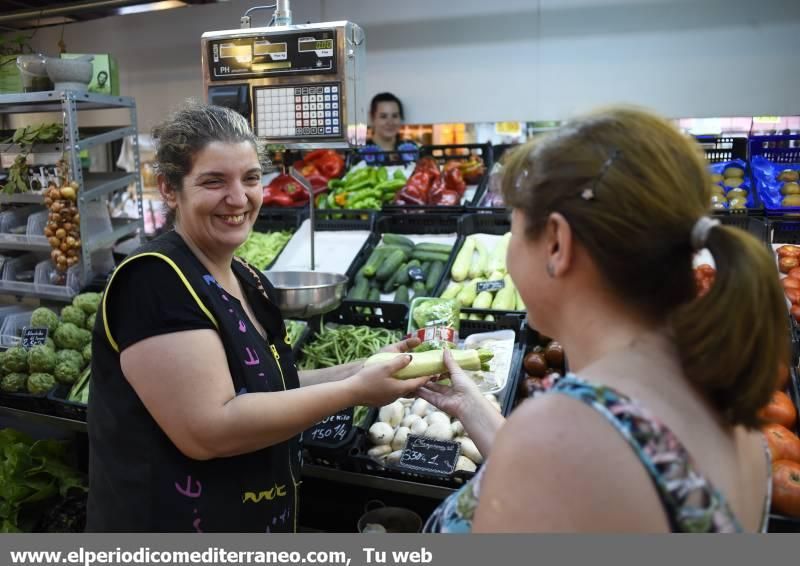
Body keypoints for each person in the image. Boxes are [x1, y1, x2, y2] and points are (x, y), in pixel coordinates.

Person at [418, 106, 786, 533]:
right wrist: (471, 406)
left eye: (512, 227)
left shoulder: (558, 432)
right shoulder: (732, 407)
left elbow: (564, 462)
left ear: (557, 243)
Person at [86, 104, 429, 532]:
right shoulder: (153, 280)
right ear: (170, 190)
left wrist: (363, 368)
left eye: (250, 178)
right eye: (214, 181)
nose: (239, 198)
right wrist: (354, 393)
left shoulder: (245, 276)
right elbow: (210, 429)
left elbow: (270, 386)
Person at [360, 92, 418, 164]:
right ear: (372, 118)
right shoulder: (359, 152)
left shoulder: (412, 149)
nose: (390, 122)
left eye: (395, 116)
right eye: (383, 116)